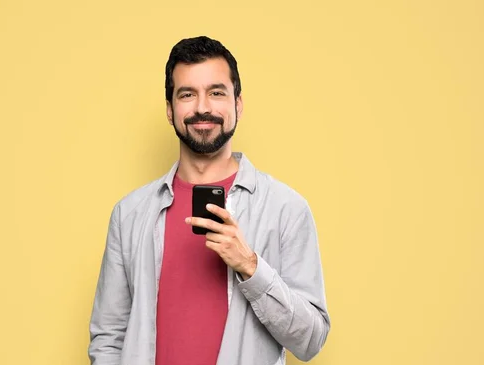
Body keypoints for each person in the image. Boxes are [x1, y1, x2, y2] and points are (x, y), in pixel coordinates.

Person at [88, 36, 330, 365]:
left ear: (238, 105)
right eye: (188, 94)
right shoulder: (129, 214)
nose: (203, 107)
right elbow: (109, 334)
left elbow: (311, 339)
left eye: (217, 93)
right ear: (171, 110)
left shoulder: (286, 209)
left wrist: (250, 266)